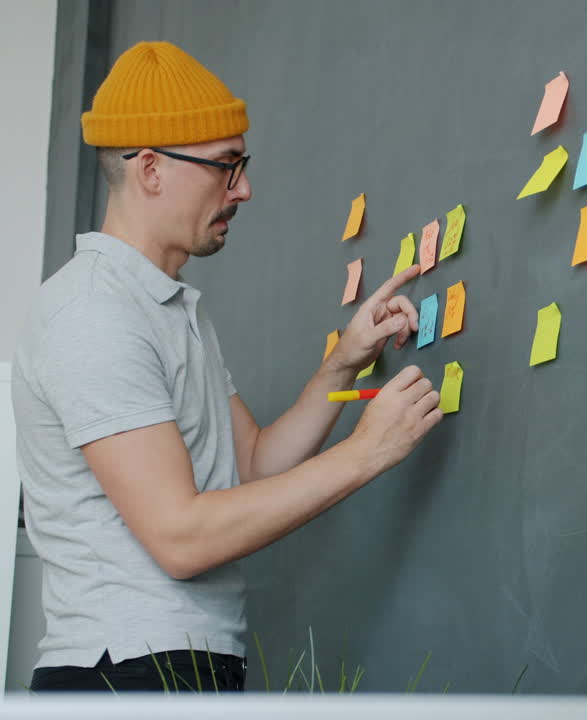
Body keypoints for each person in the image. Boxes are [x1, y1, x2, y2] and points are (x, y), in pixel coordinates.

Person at [13, 40, 443, 692]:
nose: (244, 187)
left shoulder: (171, 309)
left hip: (185, 665)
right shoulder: (92, 315)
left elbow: (251, 466)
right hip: (122, 676)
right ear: (151, 169)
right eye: (224, 165)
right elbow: (180, 538)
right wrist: (366, 454)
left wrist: (343, 366)